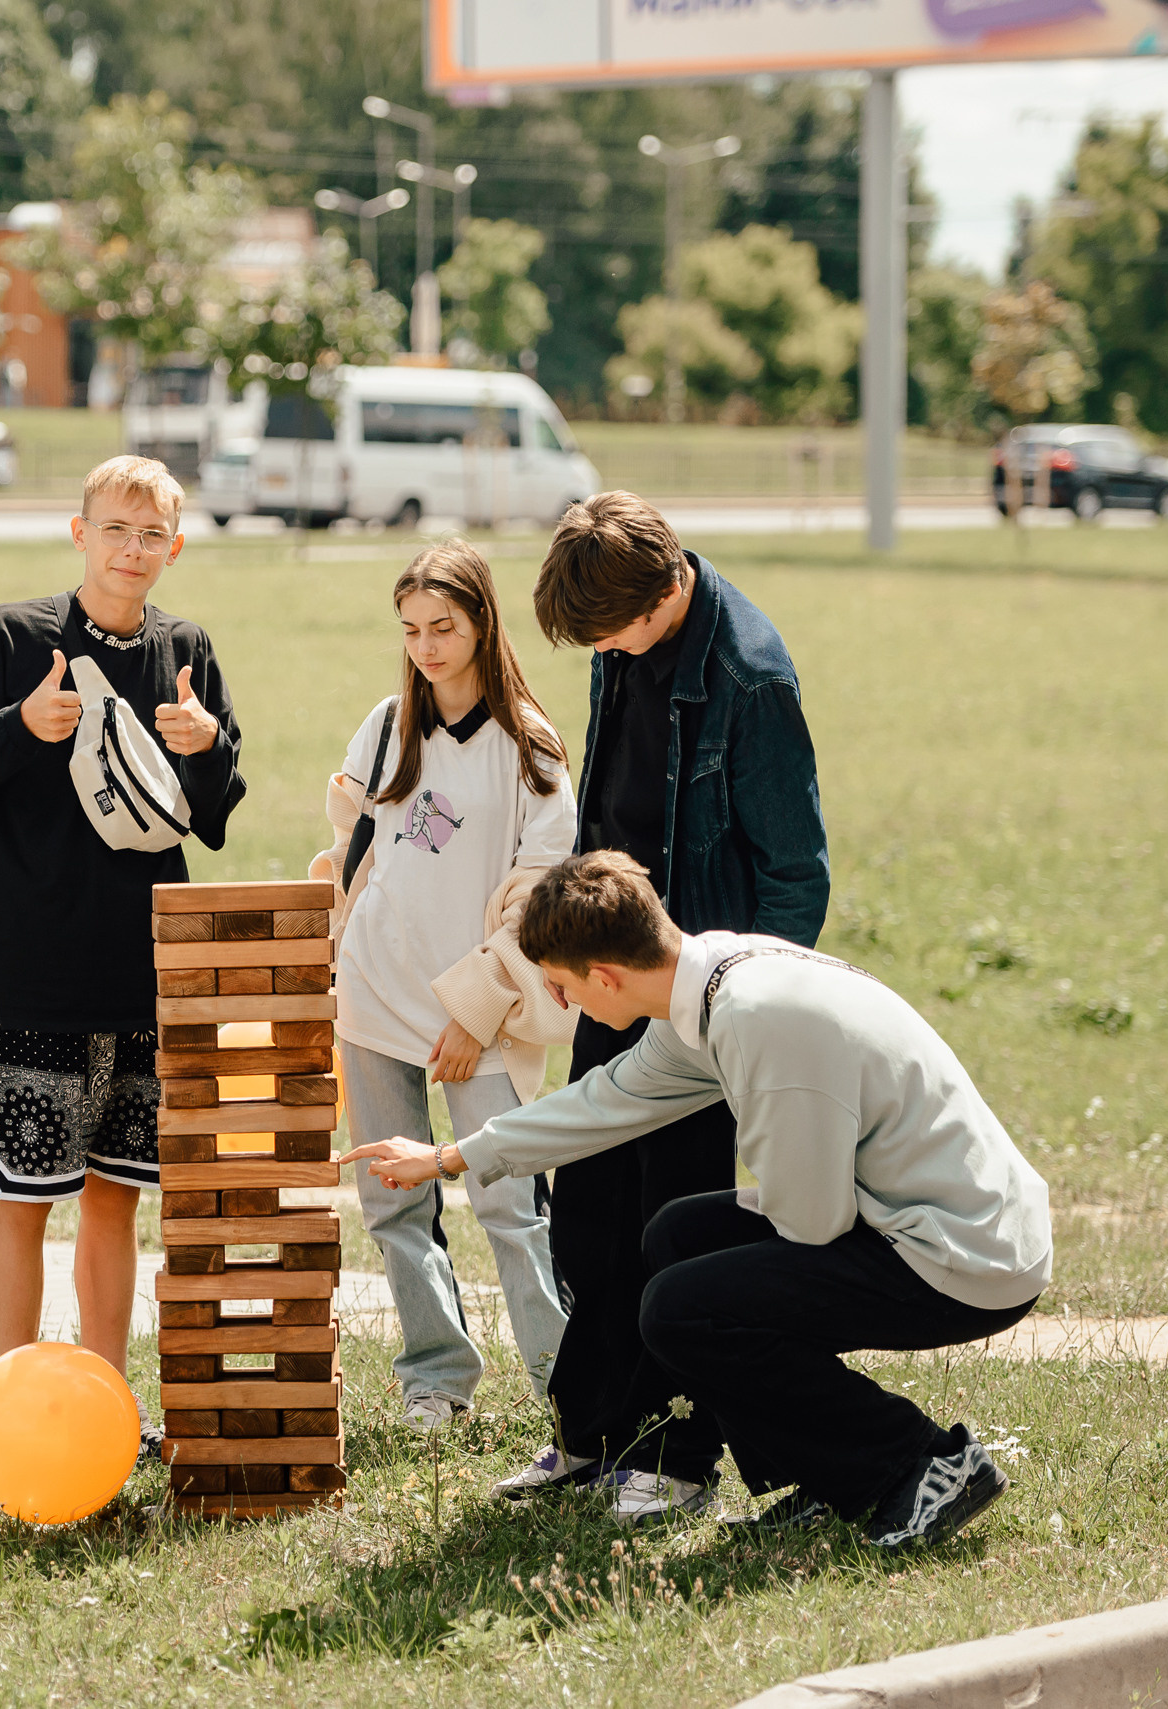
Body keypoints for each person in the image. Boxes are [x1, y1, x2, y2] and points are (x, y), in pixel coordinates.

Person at [341, 851, 1051, 1551]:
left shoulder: (756, 1019)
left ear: (606, 977)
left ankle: (922, 1465)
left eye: (562, 986)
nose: (563, 1005)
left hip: (967, 1255)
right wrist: (446, 1157)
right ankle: (831, 1472)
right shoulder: (708, 980)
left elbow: (812, 1220)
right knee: (679, 1236)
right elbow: (607, 1102)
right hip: (924, 1219)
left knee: (683, 1308)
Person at [489, 491, 829, 1519]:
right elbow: (607, 811)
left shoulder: (749, 680)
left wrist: (741, 1017)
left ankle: (677, 1457)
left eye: (614, 633)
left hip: (700, 1000)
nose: (606, 651)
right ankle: (588, 1435)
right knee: (587, 1211)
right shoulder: (619, 635)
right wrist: (563, 937)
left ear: (667, 587)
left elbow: (795, 878)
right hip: (608, 970)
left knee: (672, 1225)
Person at [0, 455, 246, 1419]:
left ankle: (108, 1402)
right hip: (33, 973)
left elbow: (216, 810)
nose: (132, 550)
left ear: (176, 547)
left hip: (148, 976)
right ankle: (11, 1401)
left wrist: (208, 747)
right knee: (24, 1193)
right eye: (116, 529)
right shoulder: (13, 636)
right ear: (80, 531)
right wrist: (21, 724)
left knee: (118, 1196)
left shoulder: (187, 646)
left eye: (152, 536)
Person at [312, 540, 572, 1429]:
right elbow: (354, 857)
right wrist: (335, 966)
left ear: (482, 623)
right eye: (412, 629)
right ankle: (436, 1378)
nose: (427, 645)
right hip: (374, 996)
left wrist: (475, 1010)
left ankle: (562, 1383)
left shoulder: (529, 745)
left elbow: (542, 897)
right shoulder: (387, 727)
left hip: (483, 1014)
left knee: (510, 1201)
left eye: (445, 627)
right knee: (393, 1201)